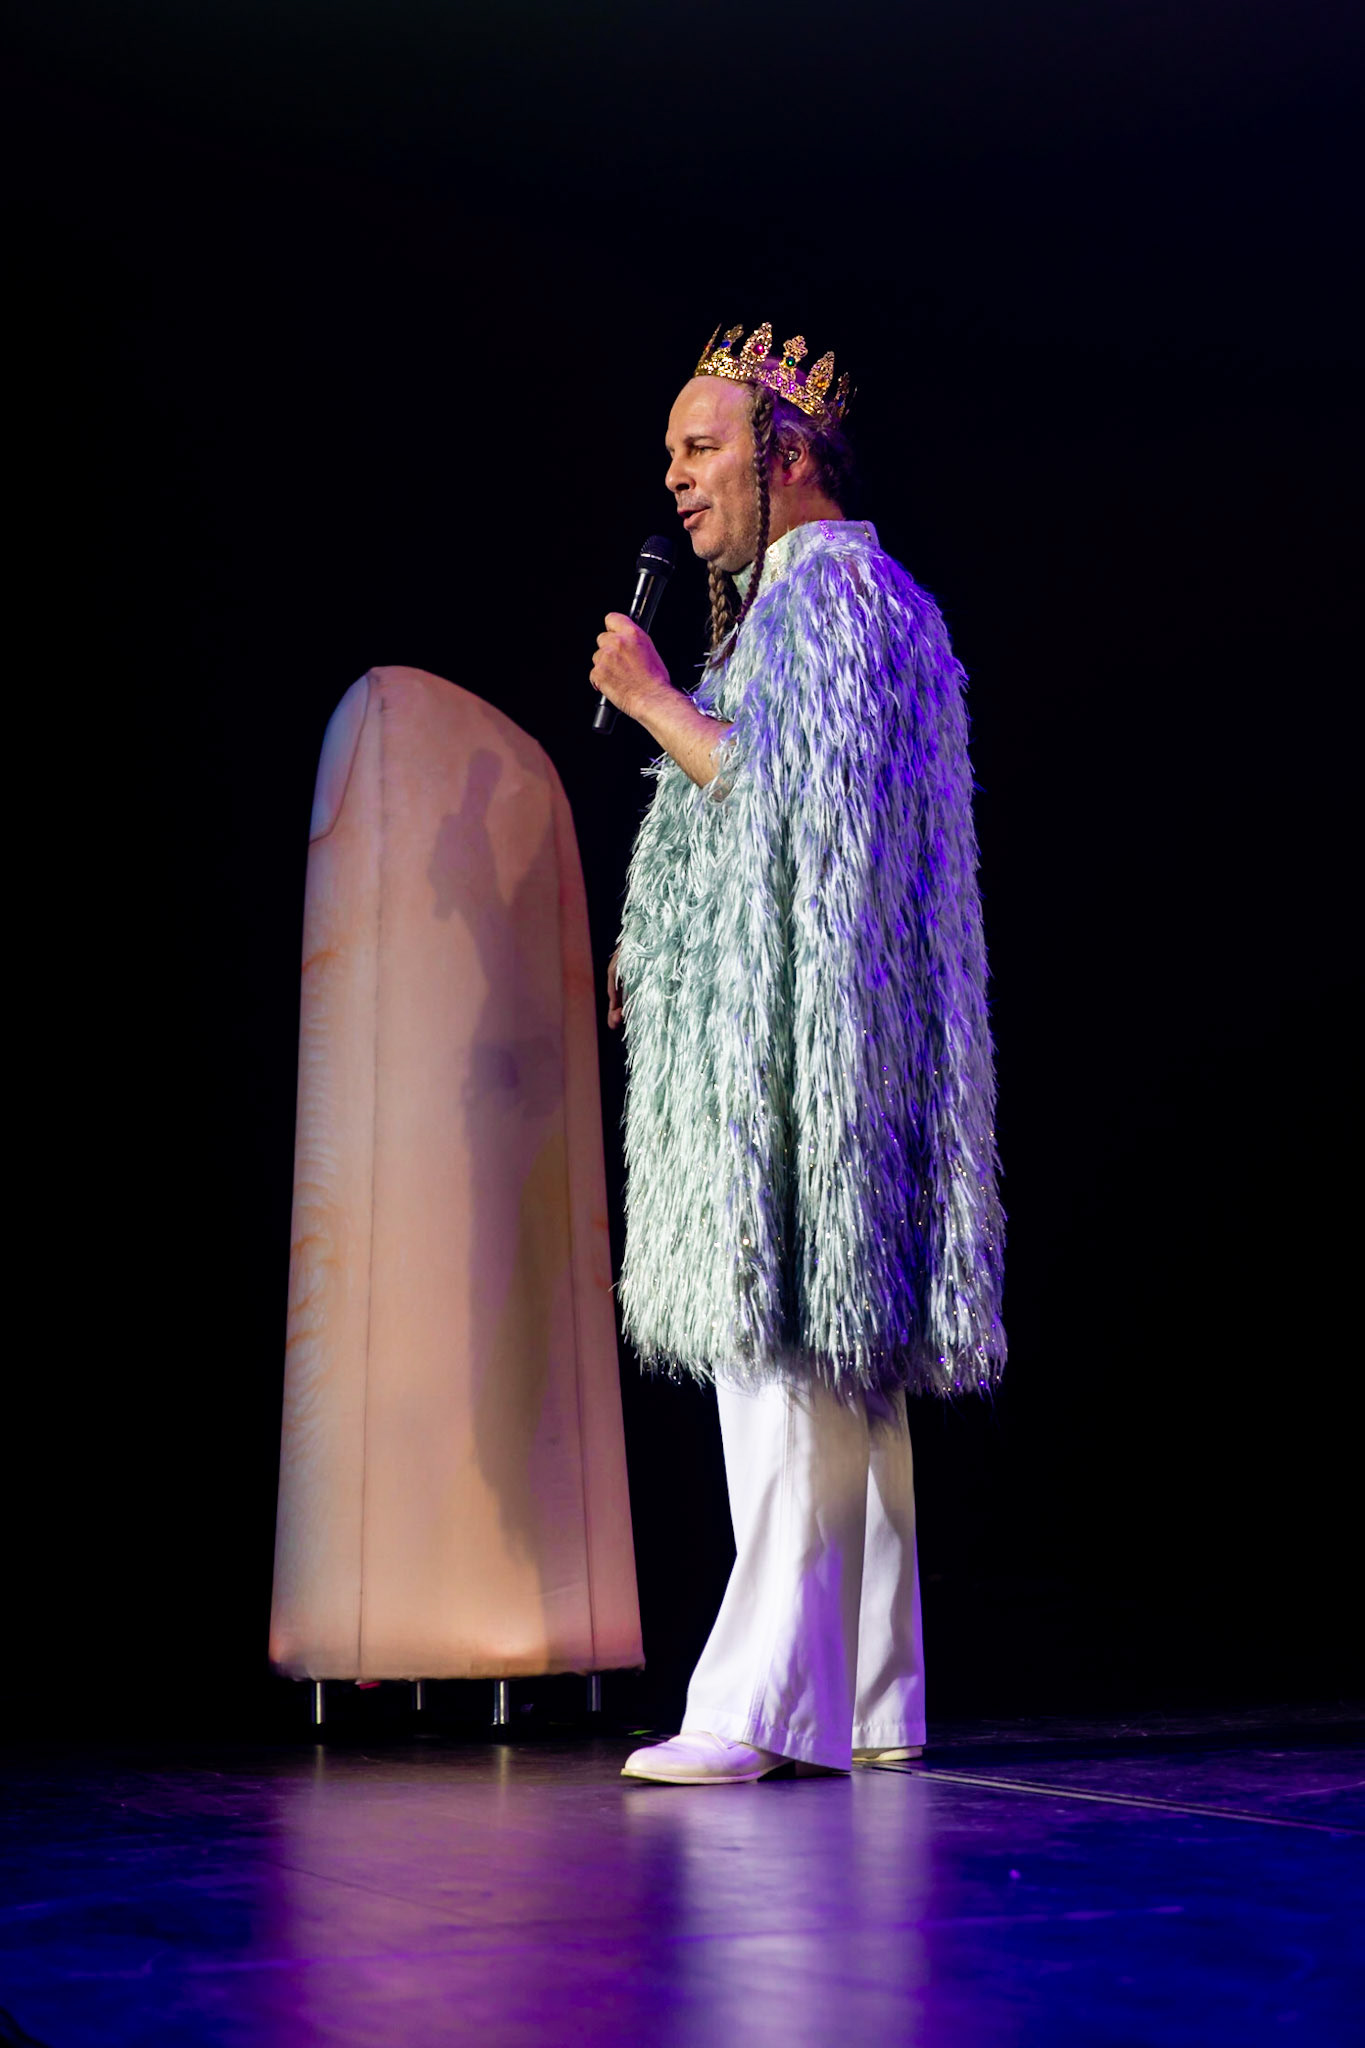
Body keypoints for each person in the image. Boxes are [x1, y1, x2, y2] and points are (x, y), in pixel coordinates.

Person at [590, 322, 1005, 1785]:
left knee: (785, 1371)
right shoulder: (826, 606)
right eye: (670, 457)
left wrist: (648, 697)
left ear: (788, 456)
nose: (677, 483)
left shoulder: (830, 599)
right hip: (813, 1035)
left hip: (796, 1064)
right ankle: (873, 1698)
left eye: (699, 451)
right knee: (839, 1379)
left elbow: (775, 795)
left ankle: (759, 1710)